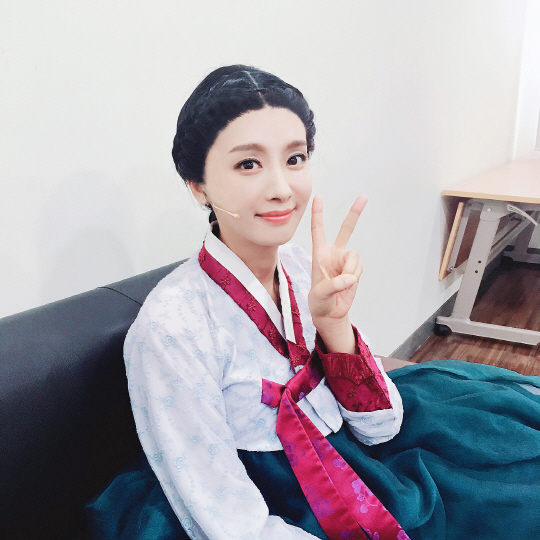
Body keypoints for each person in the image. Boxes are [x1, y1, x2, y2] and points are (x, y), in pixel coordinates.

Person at [87, 66, 540, 540]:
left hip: (355, 458)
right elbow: (226, 517)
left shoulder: (303, 268)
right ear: (197, 185)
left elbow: (381, 427)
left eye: (295, 158)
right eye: (248, 164)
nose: (282, 188)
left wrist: (335, 326)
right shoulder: (171, 327)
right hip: (266, 496)